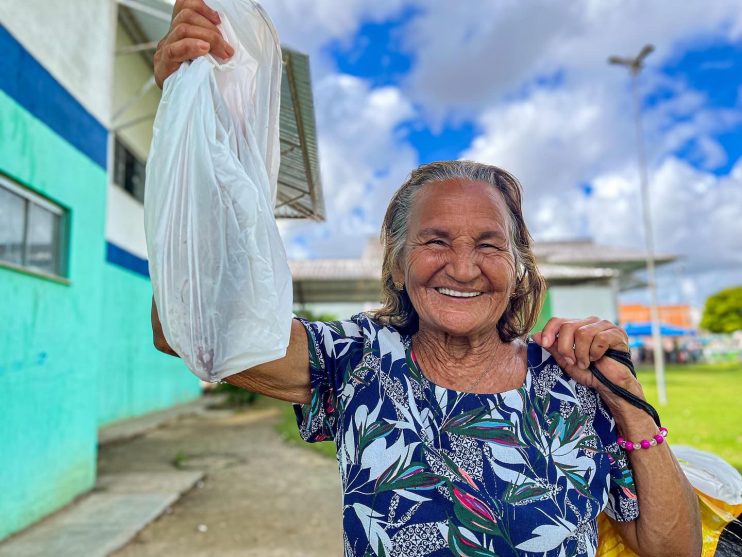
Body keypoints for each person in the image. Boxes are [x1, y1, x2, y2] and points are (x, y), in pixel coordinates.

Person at [151, 2, 701, 555]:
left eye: (489, 246)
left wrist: (626, 397)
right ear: (396, 261)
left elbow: (672, 549)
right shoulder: (358, 361)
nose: (463, 268)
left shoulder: (571, 390)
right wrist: (192, 123)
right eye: (436, 242)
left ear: (517, 268)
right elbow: (192, 325)